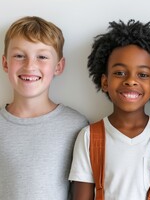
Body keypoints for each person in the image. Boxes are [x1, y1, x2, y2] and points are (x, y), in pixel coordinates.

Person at [69, 19, 150, 200]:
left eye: (142, 75)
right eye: (119, 72)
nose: (131, 81)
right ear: (105, 82)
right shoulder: (89, 137)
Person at [0, 16, 89, 200]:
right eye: (19, 55)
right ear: (5, 63)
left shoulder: (76, 126)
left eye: (41, 57)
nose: (30, 65)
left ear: (58, 66)